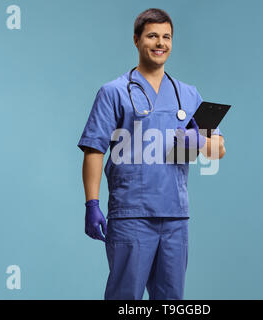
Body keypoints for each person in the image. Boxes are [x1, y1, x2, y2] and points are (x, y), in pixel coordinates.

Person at [77, 8, 226, 300]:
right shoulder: (114, 92)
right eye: (152, 36)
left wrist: (196, 139)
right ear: (136, 40)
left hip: (175, 217)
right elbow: (94, 149)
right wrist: (91, 203)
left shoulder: (188, 94)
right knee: (125, 299)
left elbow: (218, 148)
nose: (160, 43)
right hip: (132, 215)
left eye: (167, 37)